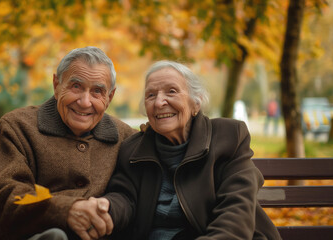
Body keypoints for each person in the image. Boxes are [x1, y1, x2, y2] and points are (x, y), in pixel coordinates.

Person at [87, 60, 281, 239]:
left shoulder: (228, 137)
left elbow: (236, 212)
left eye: (171, 91)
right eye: (151, 95)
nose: (159, 102)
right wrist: (108, 208)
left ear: (196, 103)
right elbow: (124, 197)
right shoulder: (133, 150)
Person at [0, 46, 137, 240]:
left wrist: (107, 210)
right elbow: (5, 193)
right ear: (56, 85)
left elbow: (128, 195)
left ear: (109, 97)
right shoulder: (17, 126)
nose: (85, 102)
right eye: (76, 86)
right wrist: (65, 210)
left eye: (97, 91)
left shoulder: (126, 137)